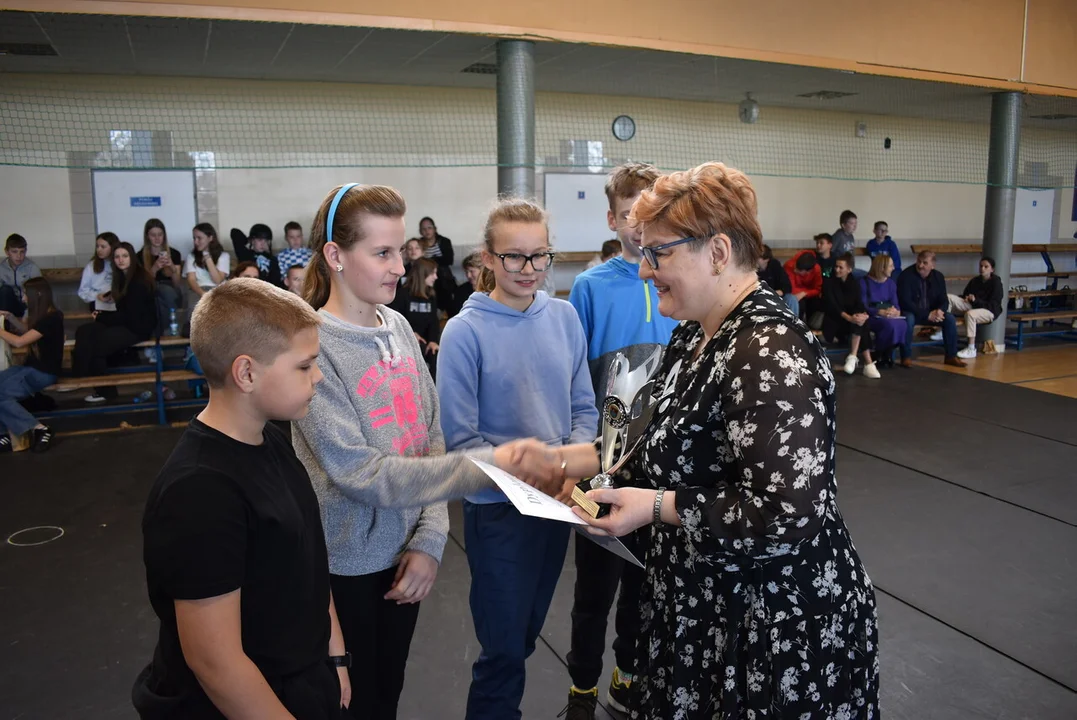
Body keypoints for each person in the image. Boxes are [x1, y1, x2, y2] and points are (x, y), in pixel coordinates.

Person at [540, 161, 879, 719]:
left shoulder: (770, 351)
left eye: (660, 254)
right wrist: (561, 465)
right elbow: (646, 446)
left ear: (718, 252)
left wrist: (655, 505)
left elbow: (785, 513)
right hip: (702, 616)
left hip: (768, 632)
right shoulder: (694, 337)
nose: (647, 273)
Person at [293, 183, 565, 720]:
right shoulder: (313, 346)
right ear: (335, 256)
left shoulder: (396, 325)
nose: (402, 265)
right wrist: (497, 464)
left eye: (402, 250)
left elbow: (430, 439)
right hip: (344, 568)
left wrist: (431, 539)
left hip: (405, 559)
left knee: (385, 694)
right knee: (348, 701)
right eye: (384, 253)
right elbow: (363, 473)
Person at [131, 278, 351, 719]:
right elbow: (216, 663)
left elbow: (307, 558)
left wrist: (336, 658)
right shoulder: (199, 491)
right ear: (247, 373)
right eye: (305, 366)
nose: (319, 376)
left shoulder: (271, 440)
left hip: (303, 677)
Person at [437, 196, 599, 720]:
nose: (528, 270)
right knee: (504, 651)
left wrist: (564, 469)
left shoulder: (566, 317)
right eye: (514, 257)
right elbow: (461, 444)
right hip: (499, 512)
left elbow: (583, 408)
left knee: (525, 635)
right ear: (487, 258)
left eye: (540, 256)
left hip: (558, 503)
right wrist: (532, 470)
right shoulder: (465, 332)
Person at [564, 161, 678, 719]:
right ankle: (581, 685)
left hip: (664, 467)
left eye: (650, 214)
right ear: (612, 219)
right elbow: (574, 374)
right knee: (594, 590)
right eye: (631, 214)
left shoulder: (680, 282)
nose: (640, 225)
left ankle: (626, 674)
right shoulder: (590, 287)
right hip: (602, 464)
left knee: (645, 587)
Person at [73, 242, 158, 403]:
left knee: (97, 344)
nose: (120, 260)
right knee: (84, 331)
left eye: (125, 256)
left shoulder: (138, 280)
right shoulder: (121, 278)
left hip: (137, 328)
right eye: (117, 256)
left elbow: (130, 317)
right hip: (127, 322)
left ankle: (105, 391)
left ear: (132, 258)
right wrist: (101, 314)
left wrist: (101, 317)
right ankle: (79, 374)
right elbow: (123, 312)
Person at [0, 277, 62, 454]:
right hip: (30, 368)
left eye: (26, 294)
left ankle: (39, 428)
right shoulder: (43, 317)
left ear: (38, 295)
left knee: (2, 395)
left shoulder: (51, 318)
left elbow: (20, 342)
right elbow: (29, 332)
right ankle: (3, 435)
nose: (23, 298)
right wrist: (11, 318)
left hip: (43, 372)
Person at [897, 250, 966, 367]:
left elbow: (944, 299)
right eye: (919, 261)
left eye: (925, 263)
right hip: (913, 312)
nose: (920, 265)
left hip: (932, 313)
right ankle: (906, 357)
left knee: (949, 319)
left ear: (932, 265)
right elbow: (905, 302)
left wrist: (940, 310)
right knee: (908, 319)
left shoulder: (938, 277)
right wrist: (926, 315)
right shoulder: (906, 275)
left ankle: (951, 356)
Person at [823, 253, 880, 378]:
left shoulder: (854, 283)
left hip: (850, 322)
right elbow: (832, 306)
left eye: (841, 267)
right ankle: (867, 363)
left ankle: (854, 357)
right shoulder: (829, 282)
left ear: (849, 269)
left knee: (861, 321)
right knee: (860, 323)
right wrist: (850, 318)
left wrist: (863, 315)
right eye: (836, 267)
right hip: (834, 322)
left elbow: (859, 304)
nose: (837, 270)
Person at [392, 257, 441, 380]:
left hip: (425, 342)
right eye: (433, 273)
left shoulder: (431, 295)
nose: (436, 277)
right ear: (423, 274)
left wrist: (433, 341)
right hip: (406, 342)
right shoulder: (402, 295)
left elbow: (433, 322)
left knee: (436, 354)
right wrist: (410, 333)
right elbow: (394, 320)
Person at [948, 256, 1003, 359]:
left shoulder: (996, 283)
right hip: (973, 305)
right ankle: (943, 327)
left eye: (986, 267)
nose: (982, 269)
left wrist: (976, 300)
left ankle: (971, 348)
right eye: (981, 266)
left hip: (989, 311)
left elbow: (992, 304)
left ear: (992, 269)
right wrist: (967, 298)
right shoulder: (975, 280)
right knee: (949, 297)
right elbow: (965, 294)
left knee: (970, 314)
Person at [860, 254, 907, 367]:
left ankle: (887, 353)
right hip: (871, 315)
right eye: (890, 266)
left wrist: (896, 311)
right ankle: (880, 353)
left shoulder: (891, 283)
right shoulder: (864, 282)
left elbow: (895, 303)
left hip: (887, 314)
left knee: (902, 324)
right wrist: (878, 312)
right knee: (888, 325)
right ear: (882, 268)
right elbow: (863, 304)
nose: (893, 268)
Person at [140, 219, 183, 336]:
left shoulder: (174, 254)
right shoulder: (139, 256)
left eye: (160, 235)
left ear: (164, 236)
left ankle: (157, 336)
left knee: (165, 291)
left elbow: (177, 284)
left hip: (171, 290)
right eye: (153, 235)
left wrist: (172, 267)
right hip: (150, 290)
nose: (157, 238)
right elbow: (143, 284)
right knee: (157, 300)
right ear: (147, 236)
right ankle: (169, 330)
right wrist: (154, 268)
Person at [0, 233, 42, 324]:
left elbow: (38, 294)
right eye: (14, 252)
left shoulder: (32, 268)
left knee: (33, 293)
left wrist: (25, 319)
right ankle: (3, 327)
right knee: (4, 290)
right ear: (7, 252)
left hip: (27, 306)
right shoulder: (1, 268)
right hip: (9, 306)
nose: (19, 256)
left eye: (22, 252)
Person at [183, 223, 230, 300]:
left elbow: (217, 280)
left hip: (218, 290)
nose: (195, 242)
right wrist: (202, 293)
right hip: (198, 290)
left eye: (199, 238)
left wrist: (208, 259)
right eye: (194, 238)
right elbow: (191, 280)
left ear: (210, 238)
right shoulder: (191, 256)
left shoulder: (224, 256)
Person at [78, 232, 120, 312]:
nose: (99, 250)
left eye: (103, 247)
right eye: (97, 246)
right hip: (97, 303)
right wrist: (97, 296)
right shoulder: (91, 266)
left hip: (117, 302)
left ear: (112, 247)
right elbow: (83, 292)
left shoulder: (120, 262)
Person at [418, 217, 457, 300]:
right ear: (421, 232)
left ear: (434, 229)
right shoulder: (419, 243)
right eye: (424, 229)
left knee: (440, 272)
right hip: (424, 275)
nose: (427, 231)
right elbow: (417, 262)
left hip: (442, 275)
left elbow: (449, 260)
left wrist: (430, 261)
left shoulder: (444, 241)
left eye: (429, 228)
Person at [784, 249, 823, 324]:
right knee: (797, 302)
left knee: (816, 303)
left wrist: (804, 293)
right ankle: (798, 327)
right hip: (794, 294)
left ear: (808, 272)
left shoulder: (816, 269)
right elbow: (790, 287)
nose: (794, 270)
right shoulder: (789, 265)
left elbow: (818, 289)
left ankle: (812, 328)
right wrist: (800, 294)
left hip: (808, 294)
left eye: (798, 270)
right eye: (795, 267)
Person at [756, 243, 796, 315]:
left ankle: (794, 324)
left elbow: (787, 286)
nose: (754, 259)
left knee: (791, 299)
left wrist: (773, 294)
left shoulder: (775, 265)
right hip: (759, 298)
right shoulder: (750, 268)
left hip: (776, 296)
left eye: (757, 257)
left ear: (766, 259)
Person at [447, 251, 482, 317]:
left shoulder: (493, 290)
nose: (468, 275)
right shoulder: (461, 291)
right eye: (466, 272)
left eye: (472, 271)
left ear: (482, 270)